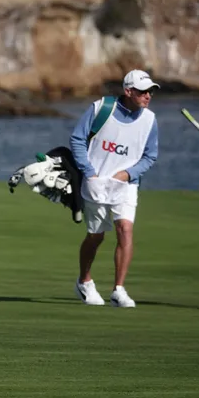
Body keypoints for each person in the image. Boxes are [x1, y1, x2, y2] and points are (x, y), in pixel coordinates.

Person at [69, 69, 159, 308]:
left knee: (125, 230)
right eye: (143, 91)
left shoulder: (150, 120)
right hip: (96, 182)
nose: (148, 96)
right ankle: (84, 281)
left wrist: (128, 174)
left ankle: (118, 289)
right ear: (128, 91)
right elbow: (77, 139)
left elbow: (150, 156)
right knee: (96, 236)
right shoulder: (101, 108)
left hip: (126, 184)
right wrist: (89, 172)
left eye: (150, 92)